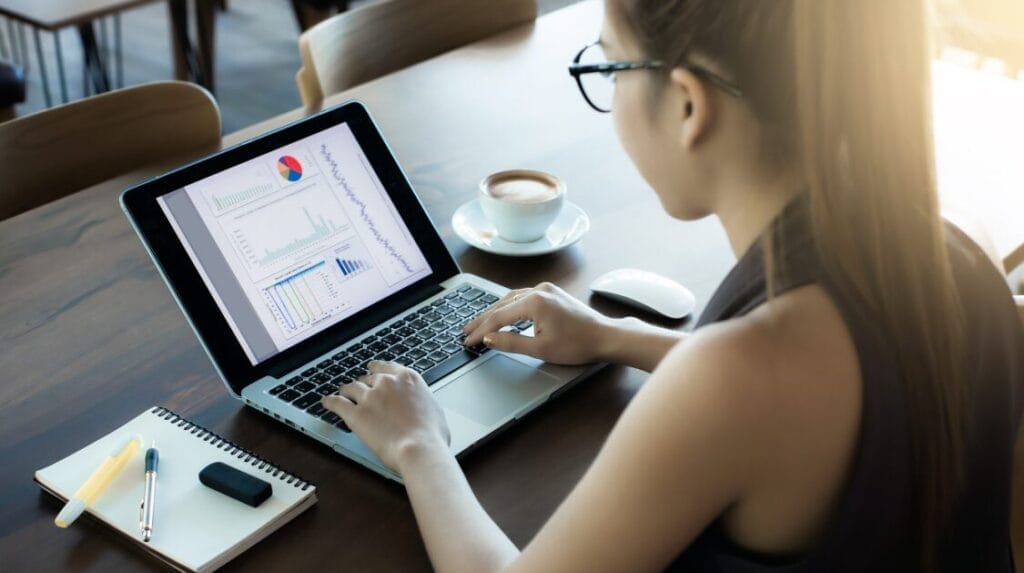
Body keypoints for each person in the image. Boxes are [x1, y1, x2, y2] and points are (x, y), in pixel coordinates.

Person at [322, 0, 1024, 571]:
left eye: (609, 67)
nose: (611, 90)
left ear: (688, 104)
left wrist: (419, 446)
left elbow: (748, 388)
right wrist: (613, 336)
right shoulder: (956, 245)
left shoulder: (735, 378)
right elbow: (805, 387)